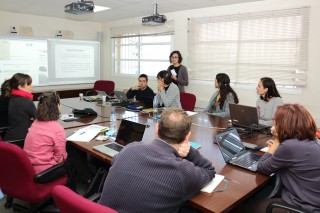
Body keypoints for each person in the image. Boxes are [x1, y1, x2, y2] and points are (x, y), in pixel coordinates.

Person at [99, 109, 216, 212]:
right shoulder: (181, 171)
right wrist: (190, 151)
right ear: (187, 137)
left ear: (156, 129)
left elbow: (115, 160)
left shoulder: (130, 148)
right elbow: (209, 171)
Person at [255, 104, 320, 212]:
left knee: (244, 206)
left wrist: (277, 141)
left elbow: (262, 167)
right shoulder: (312, 140)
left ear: (285, 125)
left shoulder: (290, 146)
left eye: (275, 123)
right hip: (312, 201)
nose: (273, 127)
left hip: (302, 207)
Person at [23, 91, 67, 173]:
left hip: (28, 168)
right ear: (57, 106)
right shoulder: (57, 129)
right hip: (45, 173)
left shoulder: (35, 123)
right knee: (72, 159)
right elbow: (59, 160)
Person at [4, 73, 36, 141]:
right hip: (22, 140)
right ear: (20, 87)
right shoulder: (26, 102)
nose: (32, 86)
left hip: (10, 138)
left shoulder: (12, 99)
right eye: (29, 84)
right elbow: (40, 119)